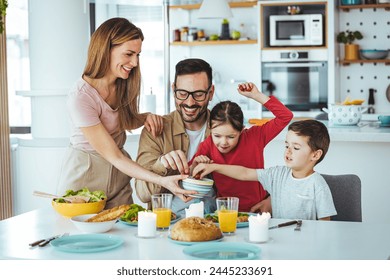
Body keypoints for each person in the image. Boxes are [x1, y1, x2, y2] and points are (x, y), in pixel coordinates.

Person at [57, 18, 195, 209]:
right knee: (83, 236)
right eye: (129, 54)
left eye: (138, 54)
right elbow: (114, 156)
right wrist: (162, 180)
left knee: (125, 233)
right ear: (106, 50)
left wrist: (144, 117)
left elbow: (119, 120)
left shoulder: (122, 83)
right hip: (86, 174)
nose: (135, 62)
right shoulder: (81, 97)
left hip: (118, 176)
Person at [135, 59, 272, 215]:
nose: (190, 102)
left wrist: (270, 199)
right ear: (173, 90)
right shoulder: (156, 130)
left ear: (211, 93)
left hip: (214, 220)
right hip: (166, 223)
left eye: (198, 94)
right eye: (182, 93)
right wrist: (162, 164)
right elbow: (143, 194)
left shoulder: (226, 132)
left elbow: (247, 174)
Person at [193, 120, 337, 220]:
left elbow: (325, 224)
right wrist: (214, 167)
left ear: (316, 154)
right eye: (287, 146)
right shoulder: (277, 174)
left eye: (296, 148)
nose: (288, 152)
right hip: (279, 238)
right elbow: (244, 173)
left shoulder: (317, 184)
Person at [190, 82, 293, 213]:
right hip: (225, 212)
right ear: (210, 129)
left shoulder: (255, 137)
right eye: (217, 135)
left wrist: (257, 95)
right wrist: (194, 165)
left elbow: (286, 116)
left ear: (242, 131)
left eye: (231, 137)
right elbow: (191, 174)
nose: (223, 142)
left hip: (258, 210)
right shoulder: (207, 145)